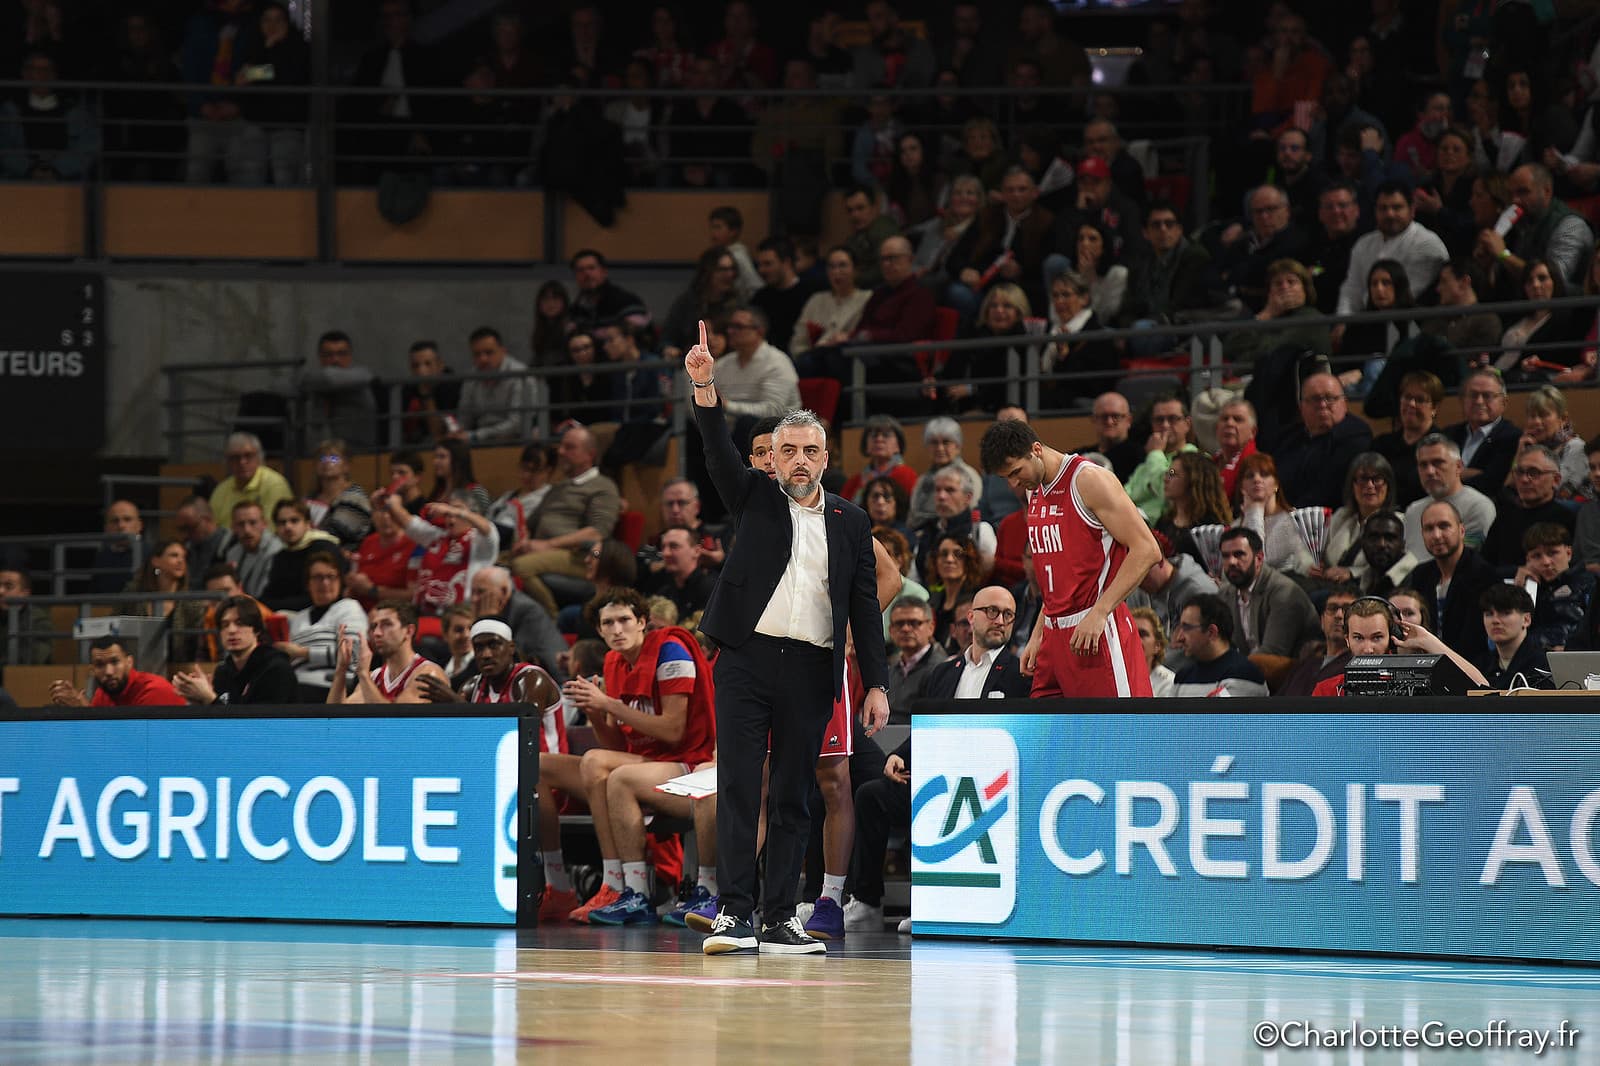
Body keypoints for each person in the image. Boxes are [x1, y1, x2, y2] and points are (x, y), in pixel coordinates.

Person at [685, 322, 890, 957]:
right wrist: (705, 387)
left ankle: (780, 919)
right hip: (745, 660)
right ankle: (735, 917)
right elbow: (717, 449)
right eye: (788, 449)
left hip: (811, 667)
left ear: (827, 458)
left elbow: (864, 605)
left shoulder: (851, 521)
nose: (799, 460)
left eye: (810, 450)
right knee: (742, 785)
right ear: (772, 457)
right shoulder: (752, 497)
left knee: (796, 794)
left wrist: (877, 681)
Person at [846, 584, 1026, 933]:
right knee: (872, 795)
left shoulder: (1019, 674)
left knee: (939, 799)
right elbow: (927, 728)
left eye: (1008, 615)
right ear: (970, 617)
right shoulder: (944, 672)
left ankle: (930, 903)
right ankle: (867, 902)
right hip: (941, 777)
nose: (1000, 620)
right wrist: (898, 756)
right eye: (992, 611)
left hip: (990, 787)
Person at [543, 588, 717, 925]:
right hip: (646, 764)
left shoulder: (671, 651)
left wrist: (608, 703)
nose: (617, 629)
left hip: (688, 763)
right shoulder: (613, 662)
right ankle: (560, 883)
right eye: (608, 623)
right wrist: (595, 711)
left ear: (642, 622)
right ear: (599, 630)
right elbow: (618, 746)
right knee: (541, 767)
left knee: (601, 765)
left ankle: (624, 885)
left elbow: (673, 731)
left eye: (625, 620)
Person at [981, 419, 1161, 698]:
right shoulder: (1033, 490)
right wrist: (1039, 632)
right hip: (1054, 634)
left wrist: (1100, 612)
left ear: (1036, 449)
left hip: (1094, 628)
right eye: (1007, 478)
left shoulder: (1088, 479)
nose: (1014, 483)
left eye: (1016, 472)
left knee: (1117, 735)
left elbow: (1147, 549)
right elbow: (1056, 576)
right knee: (1052, 737)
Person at [509, 426, 623, 615]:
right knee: (495, 565)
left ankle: (550, 618)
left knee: (520, 567)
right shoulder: (558, 488)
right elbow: (530, 523)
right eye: (561, 446)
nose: (561, 452)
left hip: (578, 556)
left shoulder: (603, 487)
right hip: (544, 552)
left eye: (569, 447)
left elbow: (597, 533)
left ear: (589, 454)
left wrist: (547, 545)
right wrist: (524, 541)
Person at [1216, 525, 1319, 677]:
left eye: (1239, 554)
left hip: (1291, 679)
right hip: (1248, 675)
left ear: (1259, 558)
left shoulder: (1283, 593)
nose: (1231, 561)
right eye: (1225, 556)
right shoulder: (1225, 594)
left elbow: (1270, 656)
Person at [1404, 499, 1499, 660]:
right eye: (1429, 528)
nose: (1436, 535)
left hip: (1470, 667)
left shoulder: (1483, 575)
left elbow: (1475, 640)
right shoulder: (1421, 574)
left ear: (1462, 530)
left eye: (1444, 526)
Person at [1270, 373, 1375, 510]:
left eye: (1330, 398)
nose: (1323, 405)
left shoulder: (1356, 435)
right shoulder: (1288, 438)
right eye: (1315, 399)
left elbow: (1328, 489)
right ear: (1301, 407)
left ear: (1344, 402)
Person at [172, 596, 298, 706]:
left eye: (240, 623)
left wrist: (209, 698)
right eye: (225, 625)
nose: (231, 630)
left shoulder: (277, 669)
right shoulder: (223, 672)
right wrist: (197, 701)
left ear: (257, 630)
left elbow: (255, 729)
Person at [277, 551, 366, 702]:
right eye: (318, 578)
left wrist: (304, 653)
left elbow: (353, 654)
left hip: (331, 686)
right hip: (294, 685)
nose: (325, 583)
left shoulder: (349, 607)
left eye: (331, 577)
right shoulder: (298, 618)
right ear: (308, 583)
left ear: (340, 581)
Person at [390, 492, 499, 615]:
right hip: (423, 612)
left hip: (461, 615)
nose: (451, 518)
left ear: (472, 514)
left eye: (456, 513)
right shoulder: (437, 537)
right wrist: (391, 502)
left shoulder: (480, 542)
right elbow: (408, 522)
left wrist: (454, 510)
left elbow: (487, 529)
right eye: (447, 515)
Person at [327, 599, 448, 704]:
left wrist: (363, 674)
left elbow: (394, 724)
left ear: (409, 631)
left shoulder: (428, 673)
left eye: (387, 624)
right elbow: (336, 718)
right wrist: (341, 671)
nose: (377, 633)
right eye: (374, 626)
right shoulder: (374, 677)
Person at [1481, 446, 1577, 570]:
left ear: (1556, 480)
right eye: (1519, 472)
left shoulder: (1568, 518)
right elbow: (1486, 563)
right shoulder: (1506, 515)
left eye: (1534, 473)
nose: (1524, 479)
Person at [1169, 594, 1269, 697]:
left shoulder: (1243, 674)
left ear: (1211, 632)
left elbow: (1224, 713)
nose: (1179, 638)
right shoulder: (1183, 676)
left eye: (1187, 628)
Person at [49, 635, 183, 708]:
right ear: (92, 670)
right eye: (100, 665)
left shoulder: (154, 690)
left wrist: (84, 711)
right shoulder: (103, 694)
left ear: (129, 662)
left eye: (115, 662)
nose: (108, 671)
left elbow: (136, 746)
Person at [1371, 371, 1443, 506]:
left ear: (1434, 408)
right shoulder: (1381, 444)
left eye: (1420, 399)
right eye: (1407, 397)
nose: (1411, 404)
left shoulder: (1441, 446)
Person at [453, 326, 534, 445]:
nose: (483, 359)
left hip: (515, 441)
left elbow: (517, 424)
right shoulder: (471, 377)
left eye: (489, 352)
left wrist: (476, 435)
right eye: (477, 354)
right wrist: (457, 432)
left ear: (503, 351)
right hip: (478, 442)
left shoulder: (521, 375)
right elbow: (464, 416)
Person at [299, 331, 376, 450]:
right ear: (320, 356)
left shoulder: (360, 378)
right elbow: (327, 379)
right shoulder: (313, 380)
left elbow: (331, 379)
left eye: (341, 354)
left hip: (358, 452)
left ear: (350, 355)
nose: (335, 360)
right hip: (318, 453)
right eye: (329, 354)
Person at [208, 432, 293, 538]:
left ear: (259, 458)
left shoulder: (274, 484)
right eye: (235, 457)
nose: (242, 462)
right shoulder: (221, 490)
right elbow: (212, 529)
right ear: (227, 462)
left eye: (248, 455)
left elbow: (272, 529)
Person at [1277, 587, 1356, 697]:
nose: (1338, 615)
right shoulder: (1307, 662)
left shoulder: (1357, 668)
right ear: (1322, 621)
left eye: (1347, 609)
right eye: (1332, 608)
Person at [1476, 584, 1553, 689]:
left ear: (1526, 619)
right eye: (1489, 614)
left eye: (1505, 613)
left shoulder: (1545, 666)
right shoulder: (1479, 666)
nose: (1495, 620)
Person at [305, 440, 371, 549]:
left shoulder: (355, 497)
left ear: (346, 466)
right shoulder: (311, 496)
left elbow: (336, 534)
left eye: (334, 458)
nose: (326, 462)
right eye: (322, 458)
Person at [221, 501, 282, 598]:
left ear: (264, 524)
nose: (247, 530)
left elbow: (264, 595)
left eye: (253, 523)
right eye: (241, 524)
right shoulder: (232, 553)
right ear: (233, 527)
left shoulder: (276, 551)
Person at [1129, 607, 1176, 697]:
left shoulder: (1168, 683)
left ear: (1157, 646)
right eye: (1132, 633)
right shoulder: (1116, 678)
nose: (1136, 640)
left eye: (1142, 634)